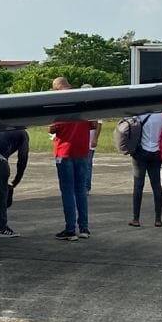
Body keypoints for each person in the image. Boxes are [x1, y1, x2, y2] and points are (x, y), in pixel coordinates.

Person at [49, 77, 92, 241]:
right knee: (81, 190)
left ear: (57, 88)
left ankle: (70, 229)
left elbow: (53, 128)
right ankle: (84, 228)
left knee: (67, 191)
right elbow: (93, 124)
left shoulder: (60, 101)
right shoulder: (83, 100)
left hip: (64, 151)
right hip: (82, 151)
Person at [128, 111, 162, 227]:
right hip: (156, 153)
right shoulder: (161, 115)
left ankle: (136, 218)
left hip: (141, 152)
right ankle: (158, 219)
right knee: (156, 186)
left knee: (138, 185)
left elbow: (129, 124)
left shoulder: (139, 114)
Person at [79, 84, 99, 192]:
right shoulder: (80, 106)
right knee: (81, 163)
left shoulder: (94, 106)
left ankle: (86, 186)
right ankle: (82, 185)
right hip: (81, 139)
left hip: (90, 139)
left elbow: (98, 124)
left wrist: (95, 138)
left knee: (87, 163)